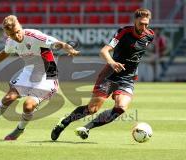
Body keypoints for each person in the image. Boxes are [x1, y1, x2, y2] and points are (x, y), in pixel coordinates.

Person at [0, 15, 79, 140]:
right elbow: (5, 52)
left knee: (28, 106)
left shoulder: (34, 36)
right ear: (7, 34)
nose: (17, 36)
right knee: (9, 98)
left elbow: (57, 43)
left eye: (17, 32)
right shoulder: (11, 41)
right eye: (12, 35)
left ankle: (19, 130)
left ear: (20, 26)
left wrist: (69, 49)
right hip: (29, 72)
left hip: (48, 74)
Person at [51, 8, 154, 140]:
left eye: (146, 24)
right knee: (92, 109)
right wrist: (112, 62)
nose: (144, 27)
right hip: (110, 75)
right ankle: (64, 122)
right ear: (135, 21)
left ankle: (87, 128)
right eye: (141, 23)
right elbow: (104, 51)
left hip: (128, 78)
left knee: (121, 107)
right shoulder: (123, 32)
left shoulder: (150, 35)